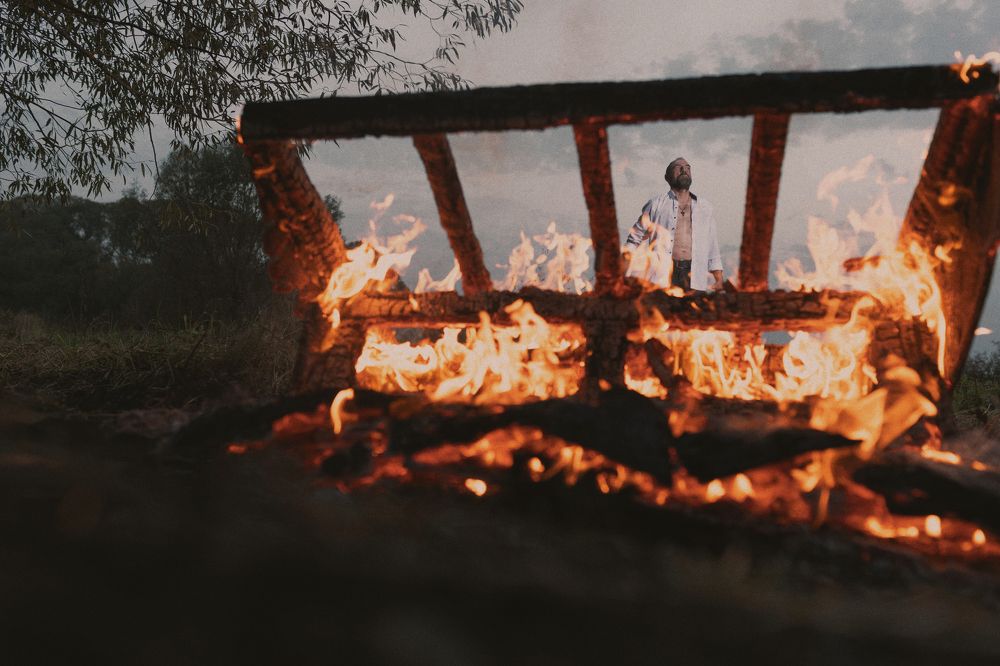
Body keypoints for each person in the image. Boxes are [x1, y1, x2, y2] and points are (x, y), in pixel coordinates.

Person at [624, 157, 724, 291]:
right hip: (662, 274)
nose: (684, 170)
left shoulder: (705, 207)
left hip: (694, 275)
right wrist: (622, 267)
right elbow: (634, 238)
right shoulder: (655, 205)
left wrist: (718, 277)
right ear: (667, 177)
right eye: (678, 168)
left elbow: (712, 245)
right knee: (661, 311)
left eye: (688, 168)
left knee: (693, 311)